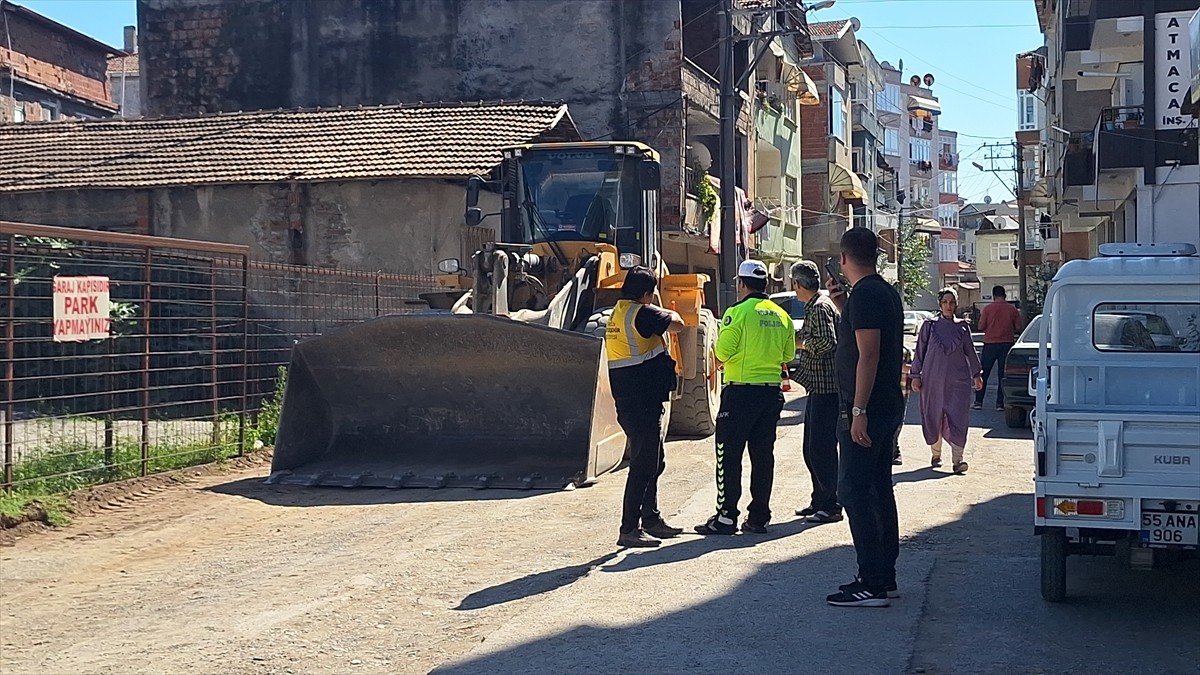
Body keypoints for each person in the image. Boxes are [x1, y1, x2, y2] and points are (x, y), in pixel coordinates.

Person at [823, 227, 905, 608]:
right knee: (875, 489)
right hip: (883, 405)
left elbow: (869, 354)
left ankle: (871, 581)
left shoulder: (868, 294)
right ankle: (882, 576)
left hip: (868, 409)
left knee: (854, 491)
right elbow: (866, 342)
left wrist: (858, 411)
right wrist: (844, 308)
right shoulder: (876, 292)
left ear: (843, 258)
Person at [695, 260, 795, 535]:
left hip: (740, 393)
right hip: (771, 393)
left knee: (728, 455)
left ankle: (726, 516)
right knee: (763, 456)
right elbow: (787, 356)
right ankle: (759, 517)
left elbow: (723, 352)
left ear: (741, 283)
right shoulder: (781, 315)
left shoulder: (737, 312)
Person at [606, 267, 687, 548]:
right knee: (643, 464)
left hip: (631, 400)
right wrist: (664, 310)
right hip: (641, 401)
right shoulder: (641, 313)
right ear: (646, 293)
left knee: (654, 460)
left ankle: (651, 519)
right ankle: (629, 528)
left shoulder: (618, 312)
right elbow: (678, 324)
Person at [788, 261, 843, 524]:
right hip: (817, 387)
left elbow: (828, 342)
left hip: (827, 389)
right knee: (811, 449)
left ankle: (830, 504)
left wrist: (802, 342)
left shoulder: (820, 307)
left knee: (821, 449)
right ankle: (819, 500)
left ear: (797, 284)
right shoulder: (816, 306)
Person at [909, 288, 984, 475]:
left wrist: (977, 375)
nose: (948, 306)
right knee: (933, 415)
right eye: (945, 302)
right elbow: (920, 352)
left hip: (958, 382)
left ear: (956, 304)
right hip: (932, 380)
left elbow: (970, 353)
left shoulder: (963, 327)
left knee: (958, 416)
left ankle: (958, 460)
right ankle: (936, 453)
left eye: (952, 302)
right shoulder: (929, 326)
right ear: (940, 304)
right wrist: (915, 376)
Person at [975, 286, 1023, 411]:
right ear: (1005, 295)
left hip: (990, 343)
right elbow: (1018, 327)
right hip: (1006, 343)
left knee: (984, 373)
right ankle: (1000, 404)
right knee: (1003, 374)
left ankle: (978, 401)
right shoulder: (1012, 310)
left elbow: (981, 326)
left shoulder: (988, 309)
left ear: (993, 295)